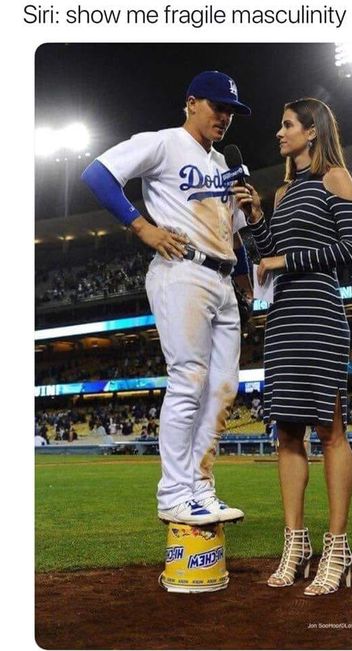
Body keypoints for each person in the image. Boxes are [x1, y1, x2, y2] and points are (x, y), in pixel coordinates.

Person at [82, 71, 251, 526]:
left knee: (224, 388)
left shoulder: (224, 164)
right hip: (182, 271)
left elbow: (235, 232)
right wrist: (142, 227)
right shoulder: (162, 143)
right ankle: (174, 493)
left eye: (231, 110)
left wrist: (249, 240)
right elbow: (97, 174)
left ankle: (200, 486)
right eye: (217, 106)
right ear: (191, 102)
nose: (225, 116)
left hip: (223, 276)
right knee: (189, 380)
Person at [234, 98, 352, 595]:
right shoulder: (286, 189)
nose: (279, 133)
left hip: (320, 314)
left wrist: (285, 259)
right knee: (287, 435)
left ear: (311, 132)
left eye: (287, 124)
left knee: (329, 432)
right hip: (285, 318)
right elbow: (267, 257)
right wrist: (256, 217)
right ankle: (295, 544)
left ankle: (337, 547)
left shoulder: (337, 178)